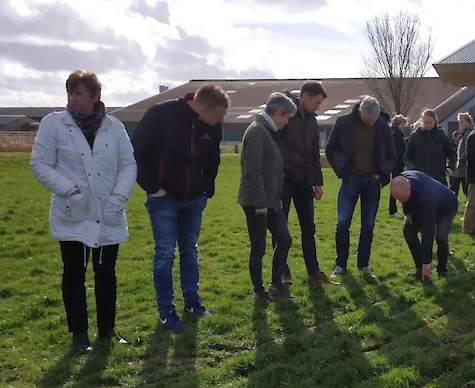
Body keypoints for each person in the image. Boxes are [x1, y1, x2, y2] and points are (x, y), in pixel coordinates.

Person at [30, 69, 137, 353]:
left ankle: (107, 328)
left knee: (106, 272)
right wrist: (70, 190)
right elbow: (39, 163)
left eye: (78, 93)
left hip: (108, 211)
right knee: (74, 273)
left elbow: (128, 165)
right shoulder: (54, 124)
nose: (72, 98)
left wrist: (118, 198)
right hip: (73, 212)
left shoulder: (114, 127)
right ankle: (79, 333)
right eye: (70, 92)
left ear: (95, 96)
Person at [133, 83, 228, 332]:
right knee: (165, 252)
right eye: (218, 116)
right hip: (164, 197)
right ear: (203, 106)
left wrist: (207, 188)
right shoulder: (161, 114)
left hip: (194, 198)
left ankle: (192, 302)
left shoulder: (213, 123)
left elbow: (213, 158)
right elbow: (136, 151)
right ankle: (166, 309)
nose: (220, 122)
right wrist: (153, 187)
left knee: (190, 249)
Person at [325, 95, 396, 283]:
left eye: (374, 120)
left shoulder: (382, 127)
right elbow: (331, 149)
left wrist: (380, 175)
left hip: (372, 182)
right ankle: (340, 264)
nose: (371, 123)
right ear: (360, 111)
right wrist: (343, 171)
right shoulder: (344, 123)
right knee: (342, 223)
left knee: (368, 224)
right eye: (368, 120)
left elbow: (391, 155)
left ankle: (363, 265)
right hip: (350, 179)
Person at [238, 93, 296, 302]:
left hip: (270, 201)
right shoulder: (257, 132)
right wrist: (261, 204)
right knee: (259, 246)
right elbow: (252, 171)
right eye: (287, 117)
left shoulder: (266, 131)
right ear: (278, 113)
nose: (287, 122)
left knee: (284, 240)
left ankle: (276, 283)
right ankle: (259, 290)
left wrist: (275, 199)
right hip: (256, 202)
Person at [275, 81, 328, 284]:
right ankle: (282, 272)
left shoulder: (312, 120)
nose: (318, 107)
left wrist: (318, 182)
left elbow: (315, 153)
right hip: (285, 180)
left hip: (305, 182)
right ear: (304, 97)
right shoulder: (286, 114)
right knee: (281, 228)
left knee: (309, 228)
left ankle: (313, 270)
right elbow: (277, 146)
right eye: (316, 102)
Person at [391, 171, 459, 280]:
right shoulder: (402, 180)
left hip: (446, 205)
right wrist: (407, 213)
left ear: (409, 189)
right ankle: (419, 268)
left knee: (441, 236)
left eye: (401, 199)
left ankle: (442, 269)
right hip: (420, 203)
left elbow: (427, 231)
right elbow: (403, 198)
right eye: (398, 199)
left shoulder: (426, 197)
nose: (400, 201)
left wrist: (427, 262)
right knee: (408, 230)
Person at [405, 108, 456, 186]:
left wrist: (450, 167)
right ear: (422, 121)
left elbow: (452, 154)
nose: (428, 125)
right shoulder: (415, 137)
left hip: (438, 179)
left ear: (435, 122)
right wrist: (413, 170)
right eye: (426, 122)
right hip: (419, 179)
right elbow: (408, 157)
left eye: (430, 123)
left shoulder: (441, 136)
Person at [388, 114, 408, 219]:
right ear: (398, 124)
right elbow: (398, 152)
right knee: (396, 187)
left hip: (395, 164)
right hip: (397, 165)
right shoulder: (396, 135)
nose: (404, 126)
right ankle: (392, 209)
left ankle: (394, 209)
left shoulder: (395, 134)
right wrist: (403, 164)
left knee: (396, 186)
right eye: (403, 124)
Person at [453, 113, 473, 196]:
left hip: (464, 167)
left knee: (465, 189)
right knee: (455, 187)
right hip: (461, 167)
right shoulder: (465, 132)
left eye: (461, 121)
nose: (460, 124)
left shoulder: (468, 133)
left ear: (467, 121)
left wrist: (460, 159)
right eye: (459, 122)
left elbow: (467, 150)